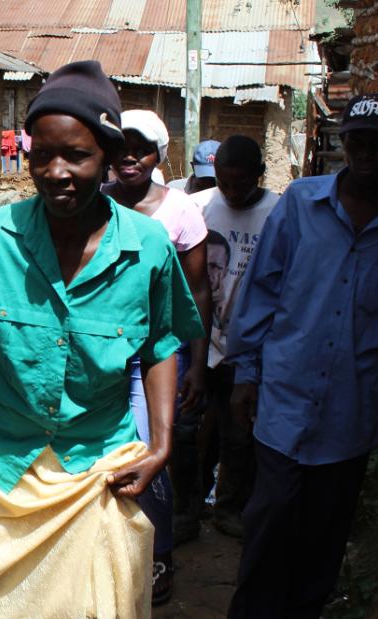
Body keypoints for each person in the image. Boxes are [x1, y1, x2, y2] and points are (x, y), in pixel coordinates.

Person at [0, 60, 202, 618]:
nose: (57, 171)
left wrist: (161, 444)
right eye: (42, 155)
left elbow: (162, 346)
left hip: (94, 473)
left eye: (77, 156)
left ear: (109, 157)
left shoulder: (148, 248)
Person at [225, 92, 378, 618]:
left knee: (323, 541)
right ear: (343, 142)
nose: (366, 151)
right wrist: (246, 374)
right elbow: (262, 289)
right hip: (284, 402)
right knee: (269, 525)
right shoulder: (301, 202)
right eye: (357, 139)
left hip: (352, 413)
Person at [102, 109, 211, 604]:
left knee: (150, 456)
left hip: (154, 358)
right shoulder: (93, 203)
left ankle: (159, 552)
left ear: (158, 155)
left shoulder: (180, 211)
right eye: (120, 145)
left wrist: (199, 362)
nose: (129, 156)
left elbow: (198, 292)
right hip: (100, 354)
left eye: (141, 148)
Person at [190, 135, 279, 538]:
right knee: (192, 431)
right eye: (224, 183)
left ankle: (229, 508)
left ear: (259, 176)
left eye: (241, 184)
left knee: (239, 434)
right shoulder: (201, 206)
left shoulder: (277, 213)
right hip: (201, 342)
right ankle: (188, 508)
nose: (231, 192)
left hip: (249, 347)